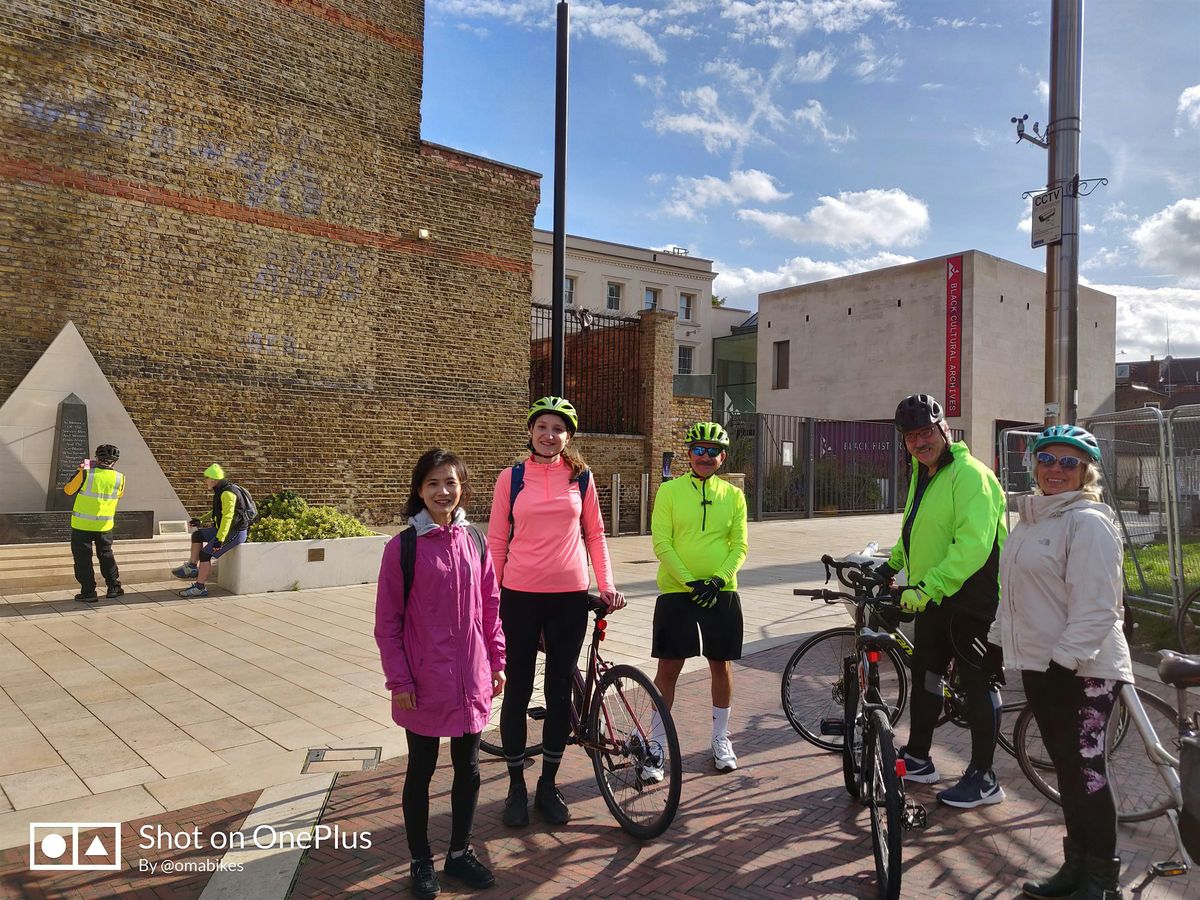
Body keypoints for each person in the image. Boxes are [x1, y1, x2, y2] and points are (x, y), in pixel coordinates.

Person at [992, 425, 1131, 900]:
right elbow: (1014, 596)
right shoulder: (1031, 520)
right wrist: (996, 643)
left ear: (1085, 471)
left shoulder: (1088, 522)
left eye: (1069, 463)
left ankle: (1101, 881)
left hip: (1084, 669)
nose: (1056, 469)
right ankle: (1075, 869)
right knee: (1067, 771)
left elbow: (1098, 608)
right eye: (1048, 459)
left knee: (1088, 772)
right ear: (1034, 464)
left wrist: (1063, 664)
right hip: (1042, 664)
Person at [488, 396, 625, 828]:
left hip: (568, 597)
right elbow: (495, 542)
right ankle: (515, 786)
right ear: (530, 431)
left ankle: (548, 784)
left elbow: (596, 534)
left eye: (558, 428)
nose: (550, 435)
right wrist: (490, 598)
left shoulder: (581, 478)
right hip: (520, 596)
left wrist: (607, 586)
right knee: (518, 690)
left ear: (569, 436)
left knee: (559, 693)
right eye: (542, 426)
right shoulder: (510, 478)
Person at [375, 448, 505, 899]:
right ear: (419, 490)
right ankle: (419, 860)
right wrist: (400, 680)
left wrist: (497, 660)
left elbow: (490, 607)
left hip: (470, 676)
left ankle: (459, 852)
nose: (443, 491)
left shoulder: (475, 541)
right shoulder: (402, 548)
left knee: (468, 769)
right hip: (423, 681)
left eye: (450, 482)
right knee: (422, 769)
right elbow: (387, 623)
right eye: (433, 484)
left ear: (461, 487)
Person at [871, 393, 1008, 807]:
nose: (919, 442)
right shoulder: (924, 472)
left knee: (976, 683)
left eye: (926, 432)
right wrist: (889, 566)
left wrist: (926, 589)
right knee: (926, 677)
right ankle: (918, 757)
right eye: (910, 436)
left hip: (969, 601)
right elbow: (916, 531)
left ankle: (985, 778)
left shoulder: (971, 476)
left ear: (944, 430)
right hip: (931, 598)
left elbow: (971, 547)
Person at [650, 421, 749, 773]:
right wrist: (691, 582)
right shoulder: (669, 492)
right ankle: (656, 743)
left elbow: (740, 545)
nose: (706, 457)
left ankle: (721, 736)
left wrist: (719, 580)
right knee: (669, 667)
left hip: (721, 592)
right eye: (699, 450)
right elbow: (662, 542)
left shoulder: (734, 495)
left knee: (720, 665)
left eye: (713, 452)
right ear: (689, 454)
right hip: (678, 591)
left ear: (722, 457)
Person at [172, 464, 250, 598]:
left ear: (214, 479)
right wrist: (201, 520)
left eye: (206, 478)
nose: (205, 481)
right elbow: (217, 511)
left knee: (205, 554)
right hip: (224, 530)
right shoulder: (221, 490)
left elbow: (227, 517)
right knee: (197, 535)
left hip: (235, 533)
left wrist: (219, 539)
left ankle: (200, 587)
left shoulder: (227, 493)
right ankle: (191, 567)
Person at [64, 444, 125, 602]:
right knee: (106, 555)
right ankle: (113, 587)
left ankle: (88, 592)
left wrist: (79, 470)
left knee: (83, 559)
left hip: (81, 525)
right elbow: (119, 495)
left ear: (97, 458)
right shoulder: (120, 478)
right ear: (114, 462)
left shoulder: (86, 473)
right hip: (104, 526)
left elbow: (68, 490)